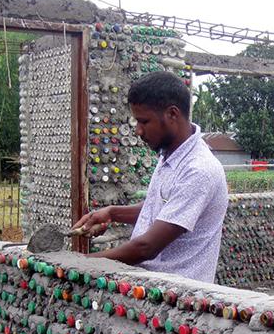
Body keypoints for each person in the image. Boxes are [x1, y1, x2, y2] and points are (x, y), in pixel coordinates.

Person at [72, 71, 228, 283]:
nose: (138, 130)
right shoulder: (170, 155)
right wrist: (112, 213)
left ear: (172, 114)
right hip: (151, 287)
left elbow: (147, 247)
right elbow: (161, 210)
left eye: (144, 121)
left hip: (179, 299)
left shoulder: (199, 170)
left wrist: (80, 263)